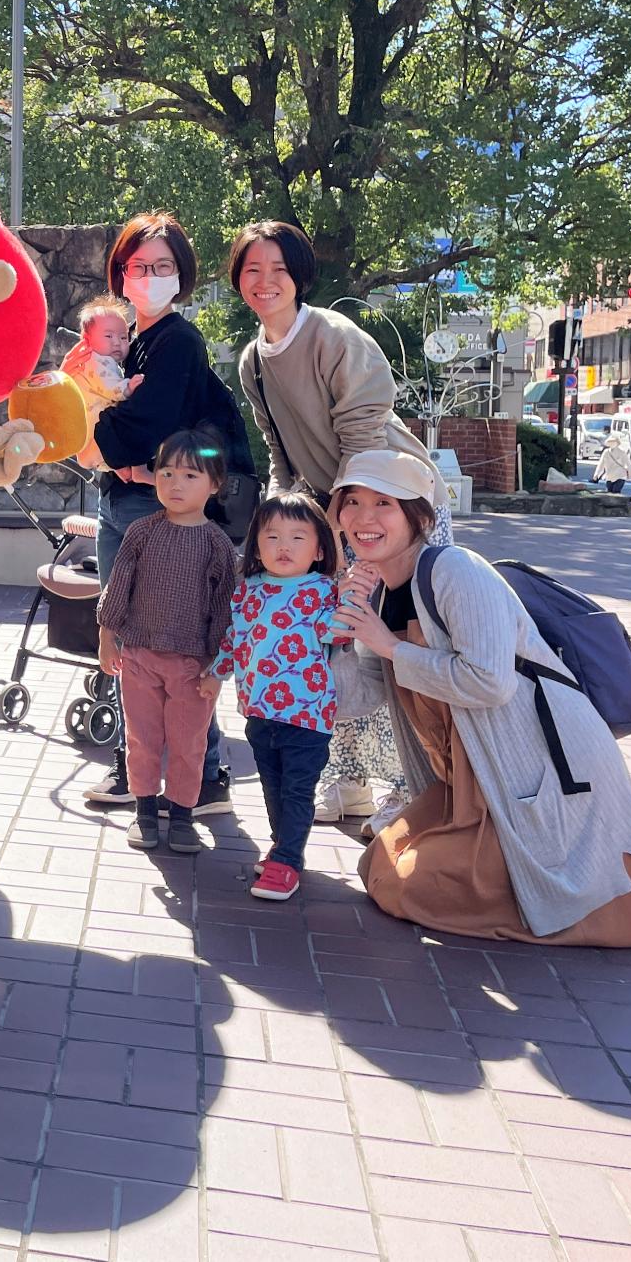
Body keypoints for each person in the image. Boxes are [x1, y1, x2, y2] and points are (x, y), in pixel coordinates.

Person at [327, 450, 631, 945]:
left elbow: (489, 682)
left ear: (417, 516)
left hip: (537, 768)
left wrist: (390, 645)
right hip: (467, 775)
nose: (364, 518)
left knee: (414, 887)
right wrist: (338, 634)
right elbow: (357, 699)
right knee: (382, 866)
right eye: (352, 502)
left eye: (384, 502)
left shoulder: (455, 570)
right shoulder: (378, 591)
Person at [226, 219, 449, 832]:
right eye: (252, 270)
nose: (265, 281)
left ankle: (417, 788)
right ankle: (348, 782)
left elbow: (363, 438)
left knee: (404, 644)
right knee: (333, 650)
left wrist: (341, 533)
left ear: (300, 274)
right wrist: (279, 522)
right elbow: (280, 452)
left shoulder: (332, 336)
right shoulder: (253, 360)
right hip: (331, 518)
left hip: (391, 507)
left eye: (279, 268)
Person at [66, 213, 250, 815]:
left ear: (182, 276)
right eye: (139, 266)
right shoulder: (123, 341)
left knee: (174, 646)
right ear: (121, 274)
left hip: (160, 504)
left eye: (163, 267)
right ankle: (136, 766)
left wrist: (100, 433)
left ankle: (207, 774)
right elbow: (84, 413)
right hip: (122, 498)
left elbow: (146, 423)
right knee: (130, 645)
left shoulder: (177, 340)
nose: (150, 276)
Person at [95, 431, 237, 854]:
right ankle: (143, 812)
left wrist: (217, 668)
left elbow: (224, 609)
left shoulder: (217, 545)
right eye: (167, 472)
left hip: (193, 666)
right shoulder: (140, 533)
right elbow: (117, 588)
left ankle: (181, 817)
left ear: (214, 484)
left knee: (188, 744)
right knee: (142, 739)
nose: (175, 484)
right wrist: (107, 636)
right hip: (138, 656)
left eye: (190, 475)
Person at [204, 493, 341, 901]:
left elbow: (339, 632)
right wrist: (217, 674)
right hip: (260, 710)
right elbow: (235, 638)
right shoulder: (248, 590)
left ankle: (286, 861)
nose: (284, 547)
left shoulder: (323, 591)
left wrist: (353, 592)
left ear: (320, 549)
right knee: (272, 785)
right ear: (256, 545)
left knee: (298, 790)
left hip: (308, 714)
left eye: (298, 537)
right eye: (273, 536)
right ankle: (284, 849)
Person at [70, 295, 135, 471]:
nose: (117, 343)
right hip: (96, 431)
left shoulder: (96, 360)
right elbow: (109, 387)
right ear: (87, 339)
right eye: (109, 336)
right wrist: (128, 387)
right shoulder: (96, 361)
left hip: (92, 435)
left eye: (123, 338)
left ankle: (120, 468)